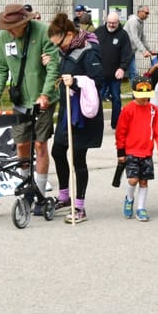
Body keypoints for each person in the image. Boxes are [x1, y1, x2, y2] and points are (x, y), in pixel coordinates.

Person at [0, 4, 59, 208]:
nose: (10, 30)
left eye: (13, 26)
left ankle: (40, 194)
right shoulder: (3, 38)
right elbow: (0, 68)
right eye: (7, 26)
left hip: (42, 99)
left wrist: (45, 94)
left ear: (24, 23)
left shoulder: (43, 32)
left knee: (40, 145)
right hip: (20, 100)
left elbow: (53, 66)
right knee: (21, 144)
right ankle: (27, 186)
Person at [46, 13, 104, 224]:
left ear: (69, 34)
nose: (58, 48)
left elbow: (97, 81)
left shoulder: (89, 51)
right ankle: (64, 196)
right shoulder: (65, 51)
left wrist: (77, 81)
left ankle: (79, 206)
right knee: (58, 150)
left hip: (82, 114)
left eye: (59, 43)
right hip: (66, 111)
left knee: (78, 158)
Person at [116, 81, 158, 221]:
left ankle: (141, 208)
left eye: (146, 95)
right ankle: (129, 198)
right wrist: (121, 152)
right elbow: (121, 132)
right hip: (131, 151)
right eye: (141, 95)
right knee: (133, 180)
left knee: (144, 181)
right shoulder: (128, 110)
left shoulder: (153, 110)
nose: (144, 98)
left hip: (146, 152)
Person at [95, 11, 133, 129]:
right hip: (100, 73)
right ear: (106, 21)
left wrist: (122, 68)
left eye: (114, 23)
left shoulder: (123, 35)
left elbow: (127, 54)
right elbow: (91, 49)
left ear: (118, 22)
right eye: (109, 23)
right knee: (97, 98)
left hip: (115, 74)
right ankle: (96, 123)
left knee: (116, 98)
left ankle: (116, 123)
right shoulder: (99, 32)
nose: (111, 25)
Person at [124, 5, 153, 88]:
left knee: (132, 72)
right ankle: (136, 92)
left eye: (148, 13)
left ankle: (135, 92)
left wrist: (149, 50)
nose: (147, 15)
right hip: (125, 51)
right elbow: (135, 38)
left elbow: (142, 37)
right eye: (146, 13)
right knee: (133, 72)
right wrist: (144, 51)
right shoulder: (133, 21)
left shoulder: (140, 22)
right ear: (139, 12)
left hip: (130, 51)